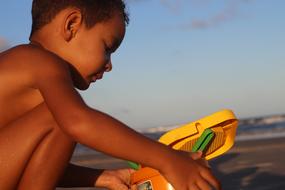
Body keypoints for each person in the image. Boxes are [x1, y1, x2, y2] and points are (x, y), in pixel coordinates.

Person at [0, 0, 221, 189]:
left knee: (60, 117)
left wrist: (104, 177)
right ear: (72, 24)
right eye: (107, 48)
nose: (109, 65)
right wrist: (169, 160)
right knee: (62, 117)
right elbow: (78, 122)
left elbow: (33, 163)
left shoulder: (26, 67)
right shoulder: (42, 62)